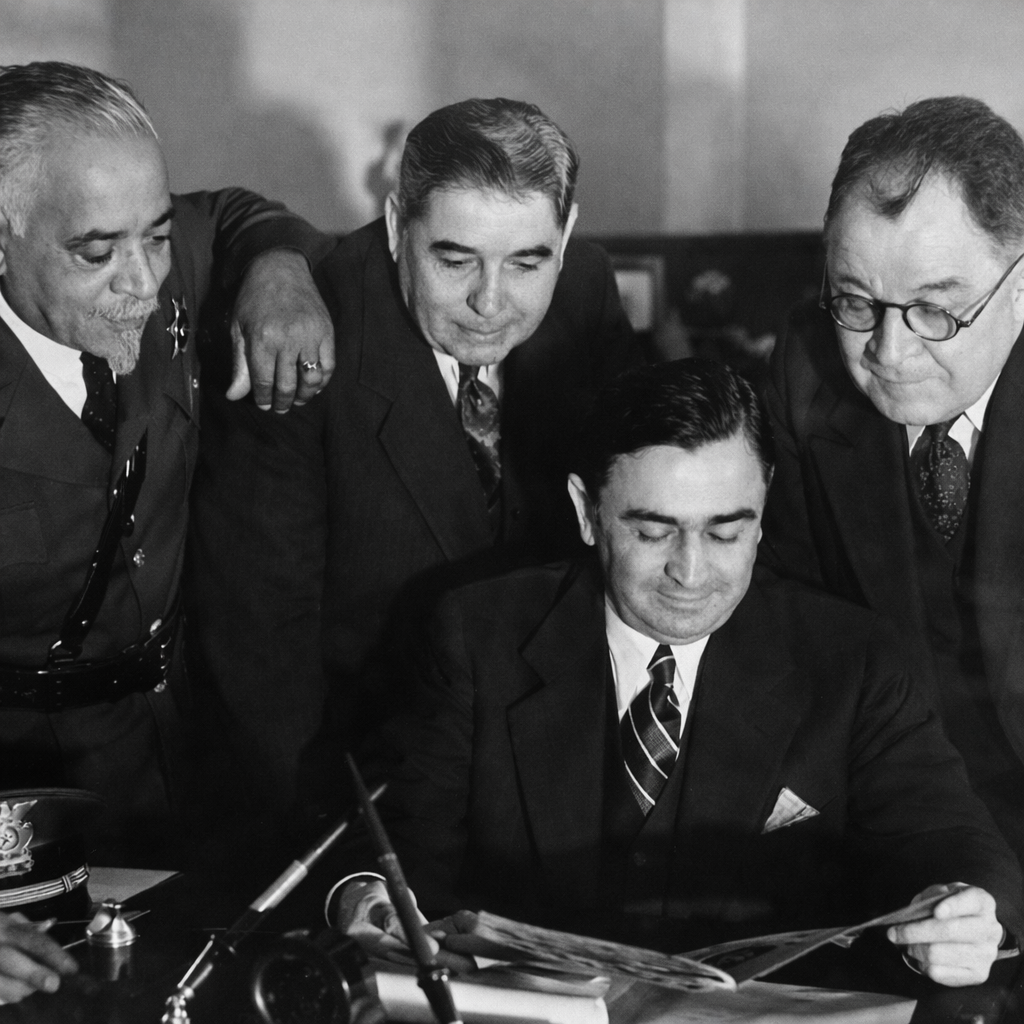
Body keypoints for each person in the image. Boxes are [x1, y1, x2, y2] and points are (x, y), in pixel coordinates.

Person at [334, 359, 1023, 990]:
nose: (691, 574)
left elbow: (948, 838)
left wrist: (963, 911)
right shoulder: (475, 634)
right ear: (586, 511)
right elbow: (389, 850)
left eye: (725, 532)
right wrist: (368, 903)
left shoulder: (851, 658)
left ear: (764, 508)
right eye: (653, 531)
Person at [188, 97, 638, 812]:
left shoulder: (584, 288)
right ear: (398, 226)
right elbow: (262, 655)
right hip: (358, 781)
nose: (490, 303)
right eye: (455, 260)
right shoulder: (305, 337)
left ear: (567, 232)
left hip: (546, 762)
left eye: (527, 261)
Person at [0, 59, 334, 880]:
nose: (144, 284)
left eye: (152, 237)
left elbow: (233, 216)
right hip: (29, 793)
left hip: (198, 750)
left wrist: (279, 271)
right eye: (97, 254)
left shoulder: (155, 246)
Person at [759, 97, 1024, 866]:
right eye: (855, 301)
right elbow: (786, 619)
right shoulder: (806, 375)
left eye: (936, 311)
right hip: (898, 822)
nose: (889, 350)